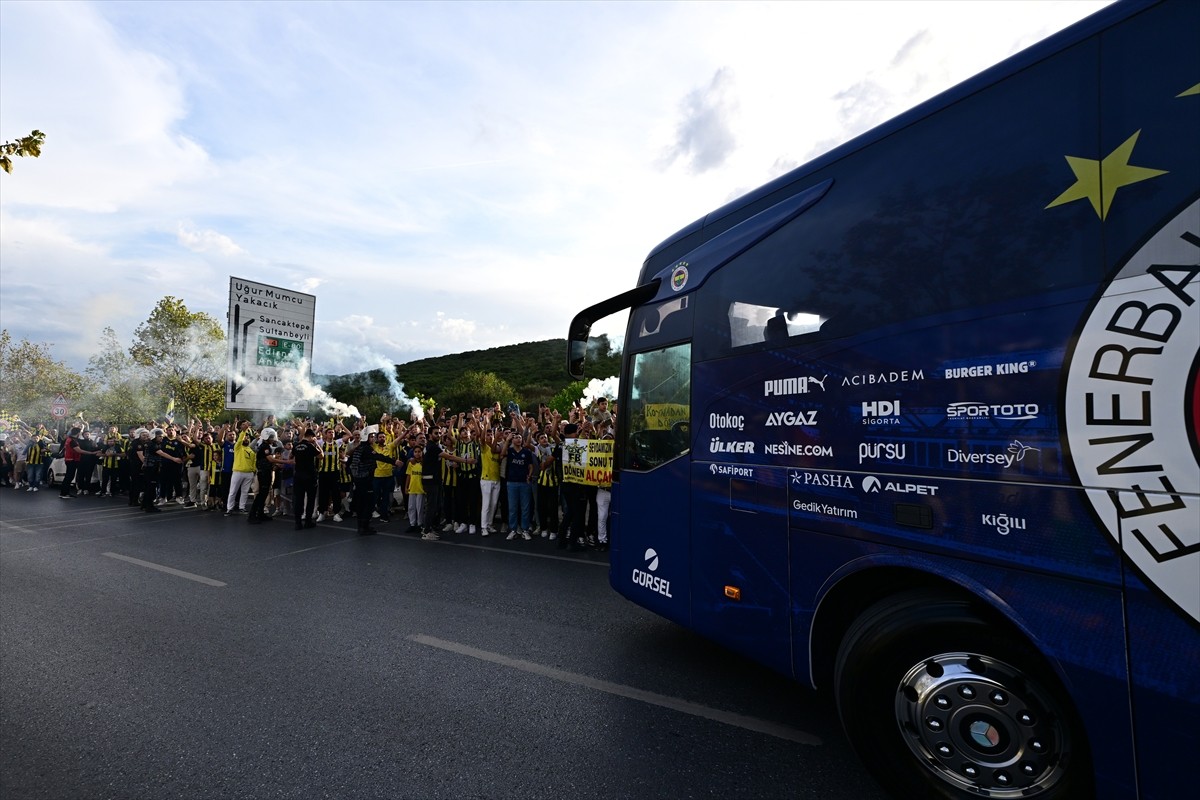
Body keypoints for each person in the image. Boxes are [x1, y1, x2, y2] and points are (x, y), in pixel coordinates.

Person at [501, 431, 534, 540]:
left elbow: (530, 466)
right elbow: (502, 453)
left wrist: (529, 475)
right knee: (512, 508)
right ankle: (513, 530)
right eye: (515, 438)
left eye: (519, 437)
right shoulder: (510, 451)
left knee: (525, 508)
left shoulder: (527, 452)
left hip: (524, 483)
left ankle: (525, 530)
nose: (518, 439)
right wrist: (507, 440)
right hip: (511, 483)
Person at [247, 428, 280, 524]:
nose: (273, 439)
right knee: (261, 494)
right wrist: (287, 462)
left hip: (266, 472)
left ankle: (260, 513)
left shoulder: (267, 446)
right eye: (271, 437)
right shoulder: (265, 447)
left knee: (264, 493)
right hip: (264, 473)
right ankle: (252, 515)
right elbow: (271, 459)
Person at [291, 428, 320, 529]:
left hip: (298, 475)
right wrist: (317, 444)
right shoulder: (310, 446)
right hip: (310, 476)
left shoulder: (296, 445)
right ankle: (308, 521)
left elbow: (291, 456)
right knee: (310, 499)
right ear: (311, 436)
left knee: (298, 499)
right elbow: (321, 456)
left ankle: (297, 522)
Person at [225, 422, 256, 516]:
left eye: (247, 438)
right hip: (237, 472)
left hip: (249, 473)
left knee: (245, 492)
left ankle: (242, 508)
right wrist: (244, 431)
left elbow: (254, 462)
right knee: (233, 491)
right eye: (245, 437)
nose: (246, 438)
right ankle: (229, 509)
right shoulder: (238, 447)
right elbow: (239, 440)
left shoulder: (252, 451)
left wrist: (253, 471)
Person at [59, 427, 84, 499]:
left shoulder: (69, 439)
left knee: (68, 477)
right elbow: (79, 451)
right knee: (69, 477)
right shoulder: (72, 440)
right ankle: (64, 493)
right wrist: (91, 453)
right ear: (78, 433)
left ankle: (65, 492)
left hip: (70, 460)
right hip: (72, 460)